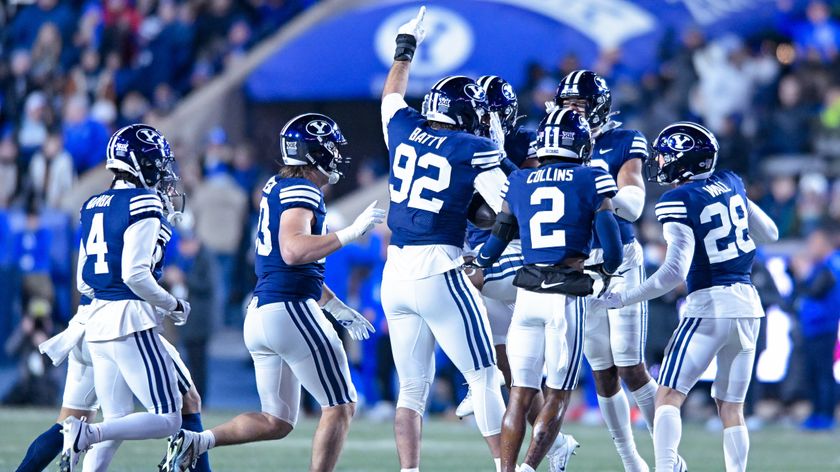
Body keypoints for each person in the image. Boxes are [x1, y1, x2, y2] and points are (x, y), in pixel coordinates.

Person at [161, 113, 381, 472]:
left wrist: (336, 306)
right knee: (340, 405)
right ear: (316, 152)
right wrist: (350, 233)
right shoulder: (302, 190)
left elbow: (290, 266)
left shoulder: (276, 187)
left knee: (277, 420)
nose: (337, 156)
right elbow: (294, 250)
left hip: (264, 311)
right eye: (332, 148)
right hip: (289, 311)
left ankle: (196, 442)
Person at [600, 122, 779, 472]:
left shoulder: (678, 199)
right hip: (748, 306)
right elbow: (770, 232)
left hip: (709, 306)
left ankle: (667, 468)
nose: (661, 161)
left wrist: (625, 298)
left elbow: (673, 273)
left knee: (668, 395)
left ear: (686, 160)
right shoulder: (730, 181)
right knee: (731, 408)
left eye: (668, 155)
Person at [379, 7, 508, 471]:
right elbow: (508, 208)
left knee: (411, 389)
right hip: (439, 268)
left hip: (394, 272)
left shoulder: (403, 129)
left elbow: (392, 94)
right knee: (486, 376)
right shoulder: (475, 148)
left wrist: (405, 50)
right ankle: (504, 467)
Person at [471, 108, 623, 472]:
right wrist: (602, 271)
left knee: (520, 394)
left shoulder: (520, 180)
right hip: (565, 298)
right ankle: (527, 469)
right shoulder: (592, 177)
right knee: (556, 393)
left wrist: (477, 263)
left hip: (526, 297)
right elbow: (614, 250)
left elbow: (494, 245)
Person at [58, 124, 193, 471]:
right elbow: (135, 275)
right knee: (168, 418)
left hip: (98, 320)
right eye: (158, 164)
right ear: (141, 162)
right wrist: (172, 304)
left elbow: (83, 281)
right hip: (129, 319)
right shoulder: (144, 201)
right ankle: (84, 434)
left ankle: (86, 437)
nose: (163, 173)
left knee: (116, 422)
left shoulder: (92, 204)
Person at [551, 69, 657, 472]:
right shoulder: (554, 137)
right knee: (602, 372)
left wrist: (598, 188)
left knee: (630, 365)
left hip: (621, 260)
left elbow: (633, 202)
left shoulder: (622, 140)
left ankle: (668, 455)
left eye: (579, 104)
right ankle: (631, 462)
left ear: (598, 107)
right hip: (580, 263)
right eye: (567, 104)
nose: (572, 112)